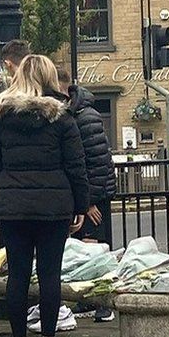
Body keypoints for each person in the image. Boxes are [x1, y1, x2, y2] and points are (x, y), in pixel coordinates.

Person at [0, 55, 89, 337]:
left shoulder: (1, 118)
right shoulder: (62, 118)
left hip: (13, 208)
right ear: (49, 79)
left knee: (17, 276)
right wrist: (80, 206)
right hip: (53, 207)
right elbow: (76, 166)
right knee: (49, 276)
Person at [56, 67, 117, 323]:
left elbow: (96, 160)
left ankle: (105, 304)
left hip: (92, 197)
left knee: (96, 251)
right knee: (82, 252)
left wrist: (89, 200)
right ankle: (89, 301)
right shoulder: (75, 113)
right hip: (83, 197)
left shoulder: (84, 115)